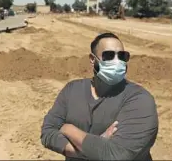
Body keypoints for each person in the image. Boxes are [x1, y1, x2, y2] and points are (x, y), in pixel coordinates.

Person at [40, 32, 158, 161]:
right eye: (109, 55)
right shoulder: (72, 89)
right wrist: (96, 147)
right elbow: (47, 133)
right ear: (92, 59)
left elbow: (116, 154)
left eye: (122, 56)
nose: (117, 61)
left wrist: (68, 129)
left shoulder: (139, 99)